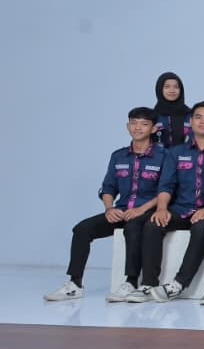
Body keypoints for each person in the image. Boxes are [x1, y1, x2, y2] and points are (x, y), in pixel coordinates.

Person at [46, 107, 166, 303]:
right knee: (82, 229)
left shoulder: (164, 156)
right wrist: (109, 209)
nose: (137, 127)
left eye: (144, 124)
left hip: (148, 211)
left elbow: (166, 189)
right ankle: (75, 284)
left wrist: (141, 210)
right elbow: (108, 187)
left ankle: (131, 282)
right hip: (121, 210)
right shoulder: (118, 156)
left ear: (153, 129)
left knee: (133, 227)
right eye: (134, 123)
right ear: (127, 126)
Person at [140, 101, 204, 303]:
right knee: (153, 224)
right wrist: (162, 208)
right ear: (191, 121)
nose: (203, 121)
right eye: (198, 117)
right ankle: (148, 284)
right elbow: (166, 184)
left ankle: (179, 283)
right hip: (181, 208)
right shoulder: (176, 152)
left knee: (201, 229)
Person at [152, 71, 190, 148]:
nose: (172, 90)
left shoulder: (191, 115)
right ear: (160, 89)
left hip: (187, 155)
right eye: (167, 87)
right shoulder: (152, 116)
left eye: (176, 87)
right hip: (159, 155)